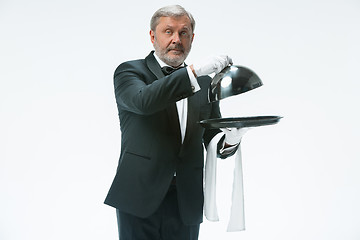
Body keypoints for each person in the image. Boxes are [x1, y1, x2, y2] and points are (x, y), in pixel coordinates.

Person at [104, 5, 245, 240]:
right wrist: (193, 72)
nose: (176, 40)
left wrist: (232, 138)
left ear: (192, 37)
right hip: (139, 194)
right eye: (168, 31)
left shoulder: (204, 83)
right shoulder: (130, 72)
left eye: (183, 33)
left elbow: (213, 137)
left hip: (186, 198)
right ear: (152, 36)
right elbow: (143, 101)